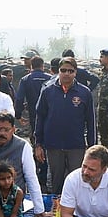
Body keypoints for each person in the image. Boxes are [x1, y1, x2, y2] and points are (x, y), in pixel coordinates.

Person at [34, 57, 96, 194]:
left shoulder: (84, 93)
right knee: (56, 182)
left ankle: (78, 211)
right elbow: (40, 118)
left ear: (75, 73)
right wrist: (38, 144)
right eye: (63, 70)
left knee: (78, 180)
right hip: (53, 145)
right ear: (58, 72)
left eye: (70, 71)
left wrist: (92, 147)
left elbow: (91, 121)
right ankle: (57, 210)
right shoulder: (47, 91)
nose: (66, 74)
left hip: (76, 146)